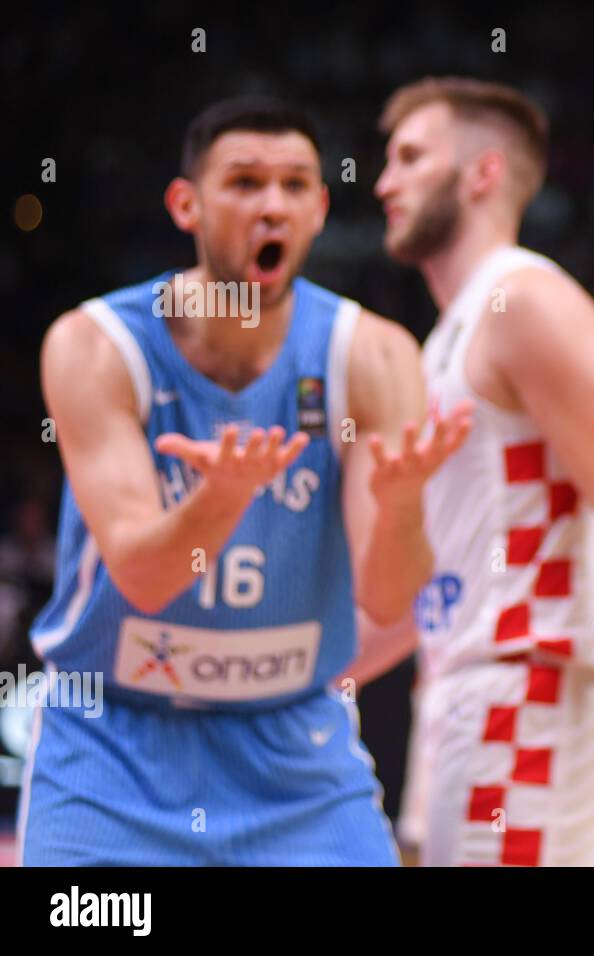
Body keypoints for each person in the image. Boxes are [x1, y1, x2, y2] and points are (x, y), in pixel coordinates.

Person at [20, 96, 470, 865]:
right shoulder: (94, 345)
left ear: (322, 209)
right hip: (113, 742)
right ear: (185, 203)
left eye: (296, 186)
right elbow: (146, 575)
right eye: (245, 182)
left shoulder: (372, 356)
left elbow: (390, 597)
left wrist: (399, 509)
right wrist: (223, 496)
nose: (272, 206)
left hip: (292, 742)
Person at [362, 77, 594, 866]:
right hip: (464, 688)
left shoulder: (527, 301)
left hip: (534, 692)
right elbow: (434, 584)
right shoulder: (449, 336)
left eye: (408, 157)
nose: (383, 182)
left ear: (483, 173)